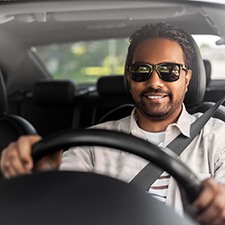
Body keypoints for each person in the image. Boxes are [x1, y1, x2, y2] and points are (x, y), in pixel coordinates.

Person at [1, 22, 225, 225]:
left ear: (187, 78)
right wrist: (45, 175)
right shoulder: (92, 143)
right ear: (129, 78)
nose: (154, 82)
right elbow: (64, 203)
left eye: (169, 71)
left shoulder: (218, 137)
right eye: (141, 71)